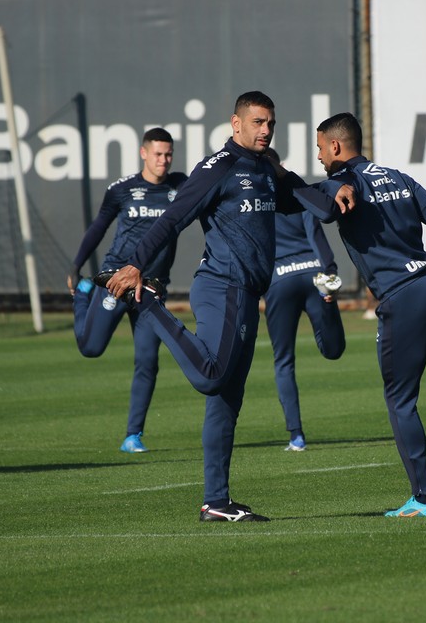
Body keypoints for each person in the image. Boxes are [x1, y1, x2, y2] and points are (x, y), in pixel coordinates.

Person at [99, 91, 352, 523]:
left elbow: (315, 206)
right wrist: (136, 264)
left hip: (249, 294)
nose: (266, 130)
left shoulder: (266, 168)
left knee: (227, 400)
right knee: (211, 375)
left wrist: (337, 185)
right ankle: (150, 306)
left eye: (271, 123)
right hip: (222, 286)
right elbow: (173, 218)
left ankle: (216, 502)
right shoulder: (218, 168)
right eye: (257, 122)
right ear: (236, 124)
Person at [281, 112, 426, 518]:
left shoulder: (342, 182)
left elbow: (322, 207)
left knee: (399, 400)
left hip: (404, 297)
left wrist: (286, 176)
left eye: (320, 148)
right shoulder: (398, 178)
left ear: (335, 146)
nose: (319, 156)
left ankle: (423, 498)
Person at [67, 128, 187, 454]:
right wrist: (77, 266)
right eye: (158, 154)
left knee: (148, 360)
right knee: (91, 348)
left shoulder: (180, 187)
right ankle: (83, 295)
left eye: (168, 154)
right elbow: (99, 227)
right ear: (143, 153)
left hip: (151, 288)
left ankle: (133, 435)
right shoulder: (122, 190)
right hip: (116, 281)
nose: (164, 160)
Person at [264, 204, 346, 452]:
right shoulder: (299, 196)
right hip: (313, 272)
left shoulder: (256, 200)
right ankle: (327, 301)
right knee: (333, 350)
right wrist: (329, 271)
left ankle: (296, 436)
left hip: (279, 279)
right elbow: (315, 233)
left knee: (283, 360)